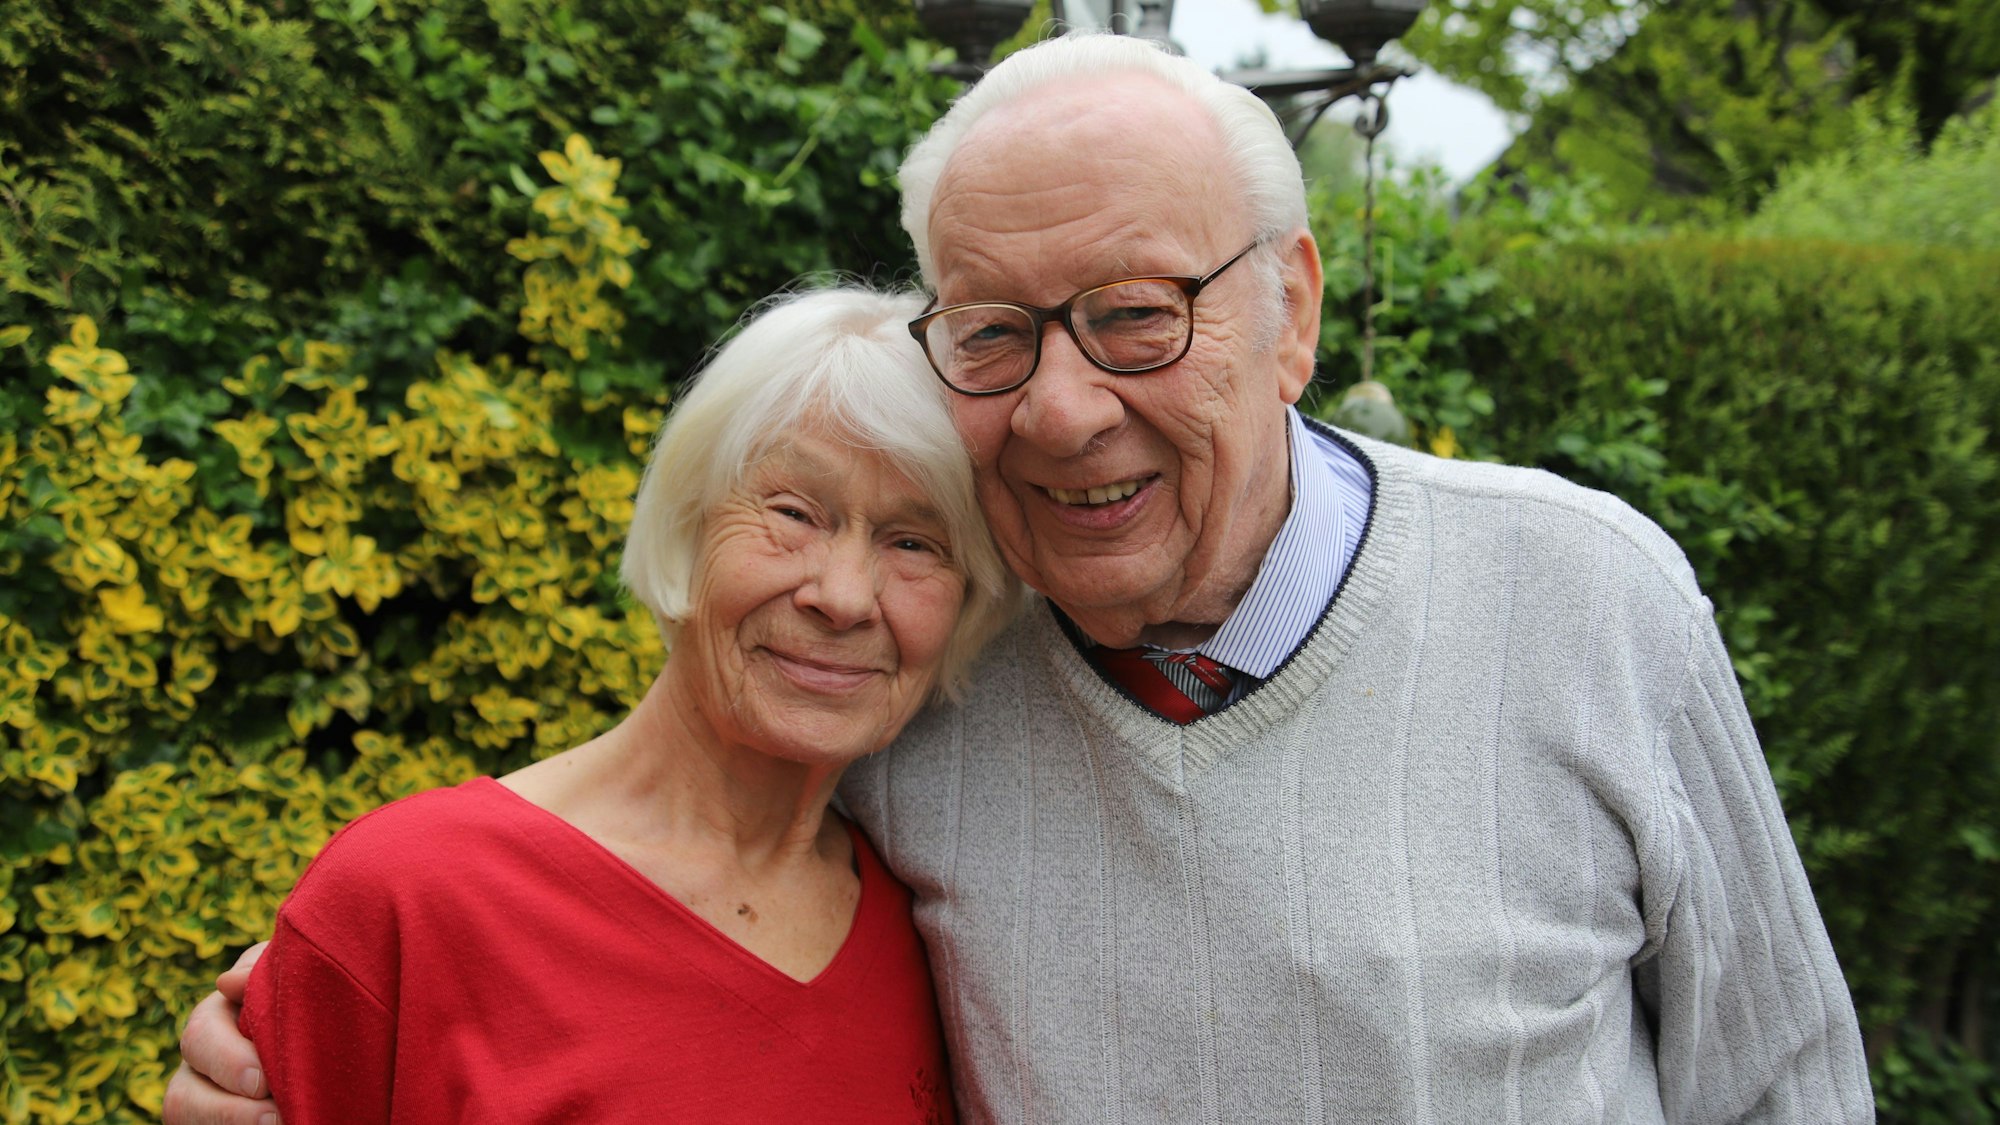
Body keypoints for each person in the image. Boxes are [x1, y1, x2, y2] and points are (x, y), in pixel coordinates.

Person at [170, 33, 1874, 1124]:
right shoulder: (927, 699)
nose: (1065, 407)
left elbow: (1788, 1084)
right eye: (994, 331)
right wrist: (303, 1026)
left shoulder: (1585, 599)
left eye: (1139, 312)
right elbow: (632, 902)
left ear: (1290, 308)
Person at [207, 287, 1018, 1124]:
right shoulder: (407, 900)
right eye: (793, 513)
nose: (844, 596)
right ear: (684, 525)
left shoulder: (932, 937)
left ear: (968, 605)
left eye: (914, 542)